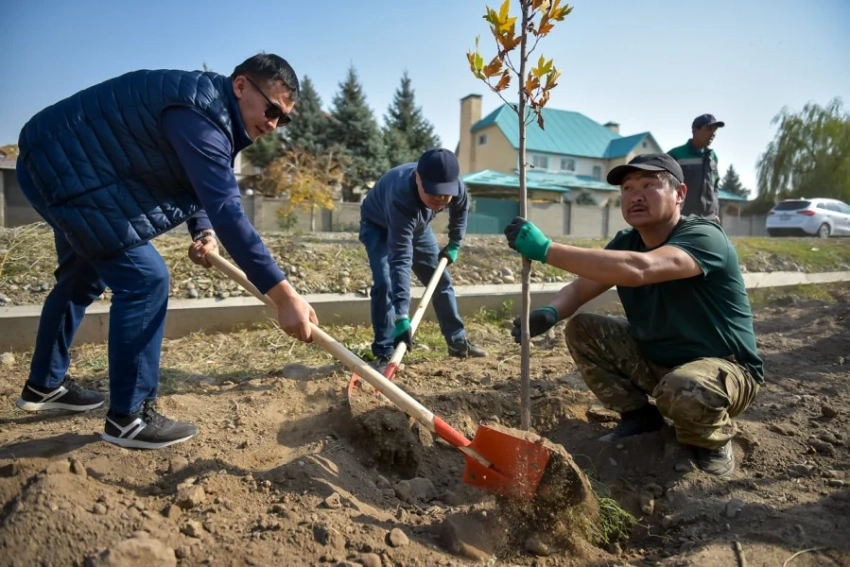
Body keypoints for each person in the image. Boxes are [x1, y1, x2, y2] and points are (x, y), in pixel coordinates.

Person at [14, 53, 318, 450]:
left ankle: (44, 384)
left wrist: (203, 230)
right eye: (272, 109)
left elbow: (197, 180)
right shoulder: (200, 115)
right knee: (145, 279)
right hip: (66, 166)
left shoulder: (211, 111)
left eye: (283, 119)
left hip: (58, 159)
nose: (274, 124)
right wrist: (284, 295)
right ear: (241, 85)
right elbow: (228, 210)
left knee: (81, 276)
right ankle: (129, 418)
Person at [504, 153, 762, 476]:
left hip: (725, 370)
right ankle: (639, 417)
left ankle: (711, 440)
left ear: (680, 194)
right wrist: (550, 312)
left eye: (649, 185)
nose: (635, 196)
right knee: (583, 329)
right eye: (627, 188)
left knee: (683, 387)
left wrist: (546, 250)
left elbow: (640, 269)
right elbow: (580, 289)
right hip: (660, 363)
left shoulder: (704, 236)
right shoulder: (626, 243)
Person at [359, 148, 487, 371]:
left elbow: (461, 209)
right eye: (433, 193)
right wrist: (401, 315)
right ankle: (384, 351)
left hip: (417, 227)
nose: (440, 200)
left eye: (445, 194)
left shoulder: (455, 185)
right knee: (385, 283)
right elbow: (401, 259)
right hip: (379, 226)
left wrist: (455, 243)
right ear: (418, 177)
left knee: (440, 279)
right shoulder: (400, 195)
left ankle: (457, 341)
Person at [668, 114, 724, 221]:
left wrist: (715, 211)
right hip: (683, 218)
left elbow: (715, 186)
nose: (713, 134)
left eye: (715, 130)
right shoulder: (676, 155)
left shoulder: (713, 157)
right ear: (695, 130)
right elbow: (666, 187)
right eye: (708, 129)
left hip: (709, 218)